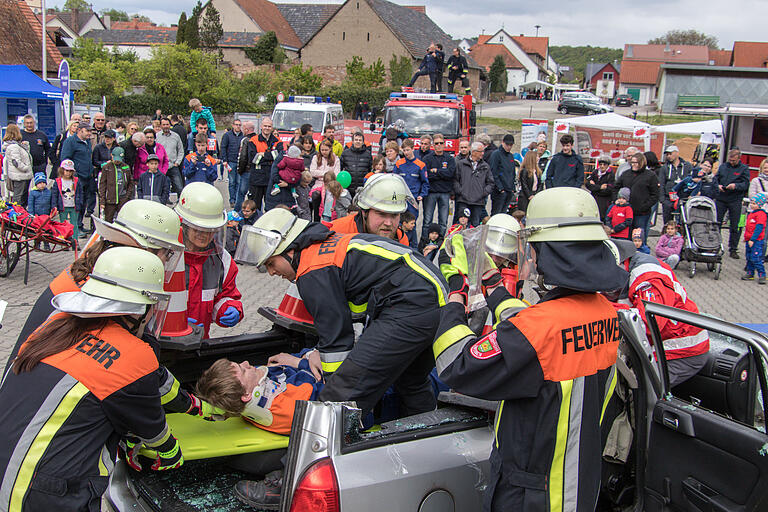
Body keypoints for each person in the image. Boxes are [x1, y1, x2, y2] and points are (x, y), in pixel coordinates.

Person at [433, 187, 628, 511]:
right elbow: (534, 328)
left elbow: (456, 365)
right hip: (580, 485)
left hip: (532, 495)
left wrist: (455, 298)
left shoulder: (537, 329)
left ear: (548, 250)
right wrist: (493, 285)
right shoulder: (605, 313)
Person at [0, 247, 185, 511]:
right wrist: (170, 452)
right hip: (46, 492)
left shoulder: (56, 324)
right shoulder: (132, 355)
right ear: (137, 308)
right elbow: (152, 430)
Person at [238, 206, 447, 433]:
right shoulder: (323, 247)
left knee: (339, 398)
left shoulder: (312, 269)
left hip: (410, 305)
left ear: (289, 250)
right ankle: (426, 436)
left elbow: (337, 341)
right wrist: (309, 359)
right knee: (411, 381)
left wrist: (330, 380)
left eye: (271, 263)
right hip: (432, 299)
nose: (271, 272)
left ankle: (323, 457)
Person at [609, 238, 710, 386]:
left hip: (678, 350)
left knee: (637, 393)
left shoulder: (647, 276)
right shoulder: (623, 268)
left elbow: (648, 324)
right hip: (657, 345)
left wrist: (604, 309)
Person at [196, 352, 322, 437]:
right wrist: (300, 361)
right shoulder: (288, 406)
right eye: (243, 370)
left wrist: (305, 355)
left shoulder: (245, 394)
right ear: (246, 395)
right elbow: (321, 374)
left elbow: (281, 361)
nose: (246, 363)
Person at [175, 183, 243, 338]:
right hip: (163, 342)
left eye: (210, 230)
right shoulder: (167, 256)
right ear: (184, 225)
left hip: (199, 341)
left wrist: (228, 307)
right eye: (198, 229)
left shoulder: (222, 259)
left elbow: (224, 295)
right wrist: (174, 322)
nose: (204, 235)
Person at [326, 173, 412, 245]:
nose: (388, 223)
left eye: (394, 215)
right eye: (381, 214)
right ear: (365, 212)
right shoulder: (336, 233)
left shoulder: (401, 240)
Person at [615, 151, 659, 248]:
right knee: (625, 236)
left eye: (636, 162)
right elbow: (616, 187)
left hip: (641, 213)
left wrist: (645, 206)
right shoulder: (626, 174)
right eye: (632, 162)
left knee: (638, 237)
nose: (633, 165)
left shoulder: (650, 176)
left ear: (642, 163)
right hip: (625, 211)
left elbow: (655, 195)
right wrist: (617, 200)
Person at [60, 121, 95, 233]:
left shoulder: (87, 142)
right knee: (76, 203)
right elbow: (65, 158)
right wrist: (73, 174)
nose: (89, 133)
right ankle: (74, 227)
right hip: (77, 177)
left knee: (84, 201)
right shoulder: (70, 142)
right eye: (87, 131)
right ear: (80, 130)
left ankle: (80, 225)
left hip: (87, 176)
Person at [715, 148, 750, 259]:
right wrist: (718, 186)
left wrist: (736, 186)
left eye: (734, 160)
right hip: (721, 198)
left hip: (735, 199)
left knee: (735, 225)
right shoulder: (723, 166)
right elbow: (716, 179)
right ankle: (715, 245)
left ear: (739, 159)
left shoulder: (744, 169)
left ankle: (733, 248)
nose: (731, 162)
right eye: (730, 160)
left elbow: (745, 184)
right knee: (717, 223)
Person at [422, 133, 456, 237]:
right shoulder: (427, 158)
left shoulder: (450, 159)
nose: (439, 145)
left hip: (445, 193)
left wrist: (436, 171)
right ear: (433, 145)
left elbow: (450, 174)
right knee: (427, 221)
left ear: (444, 144)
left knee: (443, 222)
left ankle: (440, 243)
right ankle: (425, 242)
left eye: (441, 143)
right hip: (431, 192)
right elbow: (427, 175)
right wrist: (442, 173)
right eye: (437, 143)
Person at [454, 142, 494, 227]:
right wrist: (460, 191)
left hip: (478, 202)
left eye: (483, 151)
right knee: (462, 225)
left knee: (475, 225)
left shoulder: (485, 166)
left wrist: (483, 193)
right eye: (480, 151)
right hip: (463, 200)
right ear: (474, 152)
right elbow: (455, 180)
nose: (483, 153)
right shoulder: (461, 164)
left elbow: (490, 183)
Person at [246, 116, 282, 211]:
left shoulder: (278, 141)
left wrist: (263, 155)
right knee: (255, 207)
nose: (267, 128)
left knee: (271, 208)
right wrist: (271, 156)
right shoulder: (253, 140)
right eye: (265, 126)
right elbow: (254, 159)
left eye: (269, 126)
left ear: (272, 128)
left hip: (271, 179)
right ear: (261, 126)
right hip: (256, 179)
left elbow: (279, 157)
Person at [393, 139, 429, 218]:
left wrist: (422, 194)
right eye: (404, 150)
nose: (406, 153)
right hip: (400, 198)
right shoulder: (399, 163)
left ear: (413, 149)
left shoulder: (420, 165)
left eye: (408, 150)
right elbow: (394, 180)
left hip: (413, 198)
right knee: (399, 221)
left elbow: (425, 182)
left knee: (412, 222)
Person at [98, 147, 134, 222]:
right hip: (110, 200)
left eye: (119, 159)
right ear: (112, 156)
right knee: (108, 220)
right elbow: (102, 185)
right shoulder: (106, 167)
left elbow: (131, 183)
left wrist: (127, 197)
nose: (117, 161)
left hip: (123, 199)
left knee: (123, 221)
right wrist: (102, 201)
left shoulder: (126, 167)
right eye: (115, 159)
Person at [659, 145, 694, 223]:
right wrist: (663, 200)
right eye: (667, 154)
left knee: (683, 222)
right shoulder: (665, 167)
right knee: (668, 223)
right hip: (668, 199)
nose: (668, 156)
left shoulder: (687, 166)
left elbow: (692, 181)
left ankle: (681, 234)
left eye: (670, 154)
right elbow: (661, 183)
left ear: (677, 153)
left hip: (683, 198)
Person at [2, 124, 33, 207]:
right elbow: (16, 162)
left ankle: (22, 215)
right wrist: (26, 168)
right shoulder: (13, 147)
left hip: (22, 175)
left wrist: (26, 147)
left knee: (23, 198)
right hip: (20, 176)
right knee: (18, 199)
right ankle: (17, 216)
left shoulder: (17, 145)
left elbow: (24, 157)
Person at [51, 160, 83, 242]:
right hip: (63, 206)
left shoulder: (76, 181)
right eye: (66, 170)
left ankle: (75, 241)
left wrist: (80, 203)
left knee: (74, 224)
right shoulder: (58, 181)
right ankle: (64, 240)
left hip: (74, 206)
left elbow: (80, 193)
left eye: (70, 171)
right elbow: (54, 194)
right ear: (62, 170)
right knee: (63, 225)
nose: (68, 173)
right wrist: (54, 206)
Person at [488, 134, 518, 215]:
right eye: (507, 144)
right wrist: (500, 188)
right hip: (499, 191)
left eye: (511, 145)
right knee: (496, 213)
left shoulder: (511, 156)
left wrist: (512, 188)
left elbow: (512, 173)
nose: (509, 147)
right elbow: (493, 172)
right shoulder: (496, 154)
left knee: (504, 214)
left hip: (508, 190)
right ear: (502, 143)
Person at [157, 117, 186, 198]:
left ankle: (181, 203)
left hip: (173, 166)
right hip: (161, 166)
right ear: (161, 126)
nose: (166, 126)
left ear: (170, 125)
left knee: (179, 187)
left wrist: (177, 162)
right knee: (160, 188)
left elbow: (181, 150)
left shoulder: (176, 136)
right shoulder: (157, 136)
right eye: (164, 124)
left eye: (167, 124)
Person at [742, 192, 767, 284]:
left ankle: (762, 274)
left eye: (754, 204)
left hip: (756, 240)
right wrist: (746, 237)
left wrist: (753, 239)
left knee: (756, 258)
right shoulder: (752, 214)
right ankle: (750, 273)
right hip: (749, 240)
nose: (752, 205)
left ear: (759, 205)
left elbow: (758, 228)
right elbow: (748, 227)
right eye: (751, 203)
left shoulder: (761, 214)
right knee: (748, 257)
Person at [341, 129, 373, 195]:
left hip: (362, 188)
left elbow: (371, 170)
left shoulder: (368, 154)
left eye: (360, 140)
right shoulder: (345, 153)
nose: (358, 142)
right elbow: (340, 168)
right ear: (352, 141)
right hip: (348, 188)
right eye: (356, 140)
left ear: (363, 142)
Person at [221, 119, 245, 207]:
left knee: (239, 182)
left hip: (240, 162)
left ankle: (238, 200)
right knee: (232, 182)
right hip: (231, 161)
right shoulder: (227, 135)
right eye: (236, 124)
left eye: (239, 125)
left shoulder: (243, 136)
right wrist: (224, 160)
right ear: (233, 125)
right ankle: (232, 200)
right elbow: (223, 147)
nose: (238, 126)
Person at [586, 155, 616, 220]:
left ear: (608, 165)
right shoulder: (595, 172)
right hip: (594, 199)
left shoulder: (611, 174)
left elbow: (608, 190)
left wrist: (594, 187)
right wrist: (600, 187)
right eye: (600, 164)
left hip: (604, 202)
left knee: (602, 218)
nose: (602, 166)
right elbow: (587, 184)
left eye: (604, 164)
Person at [517, 149, 541, 214]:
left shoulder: (537, 171)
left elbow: (540, 184)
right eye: (537, 157)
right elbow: (524, 185)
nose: (538, 158)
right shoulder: (524, 171)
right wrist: (529, 195)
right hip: (525, 197)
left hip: (534, 194)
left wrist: (536, 194)